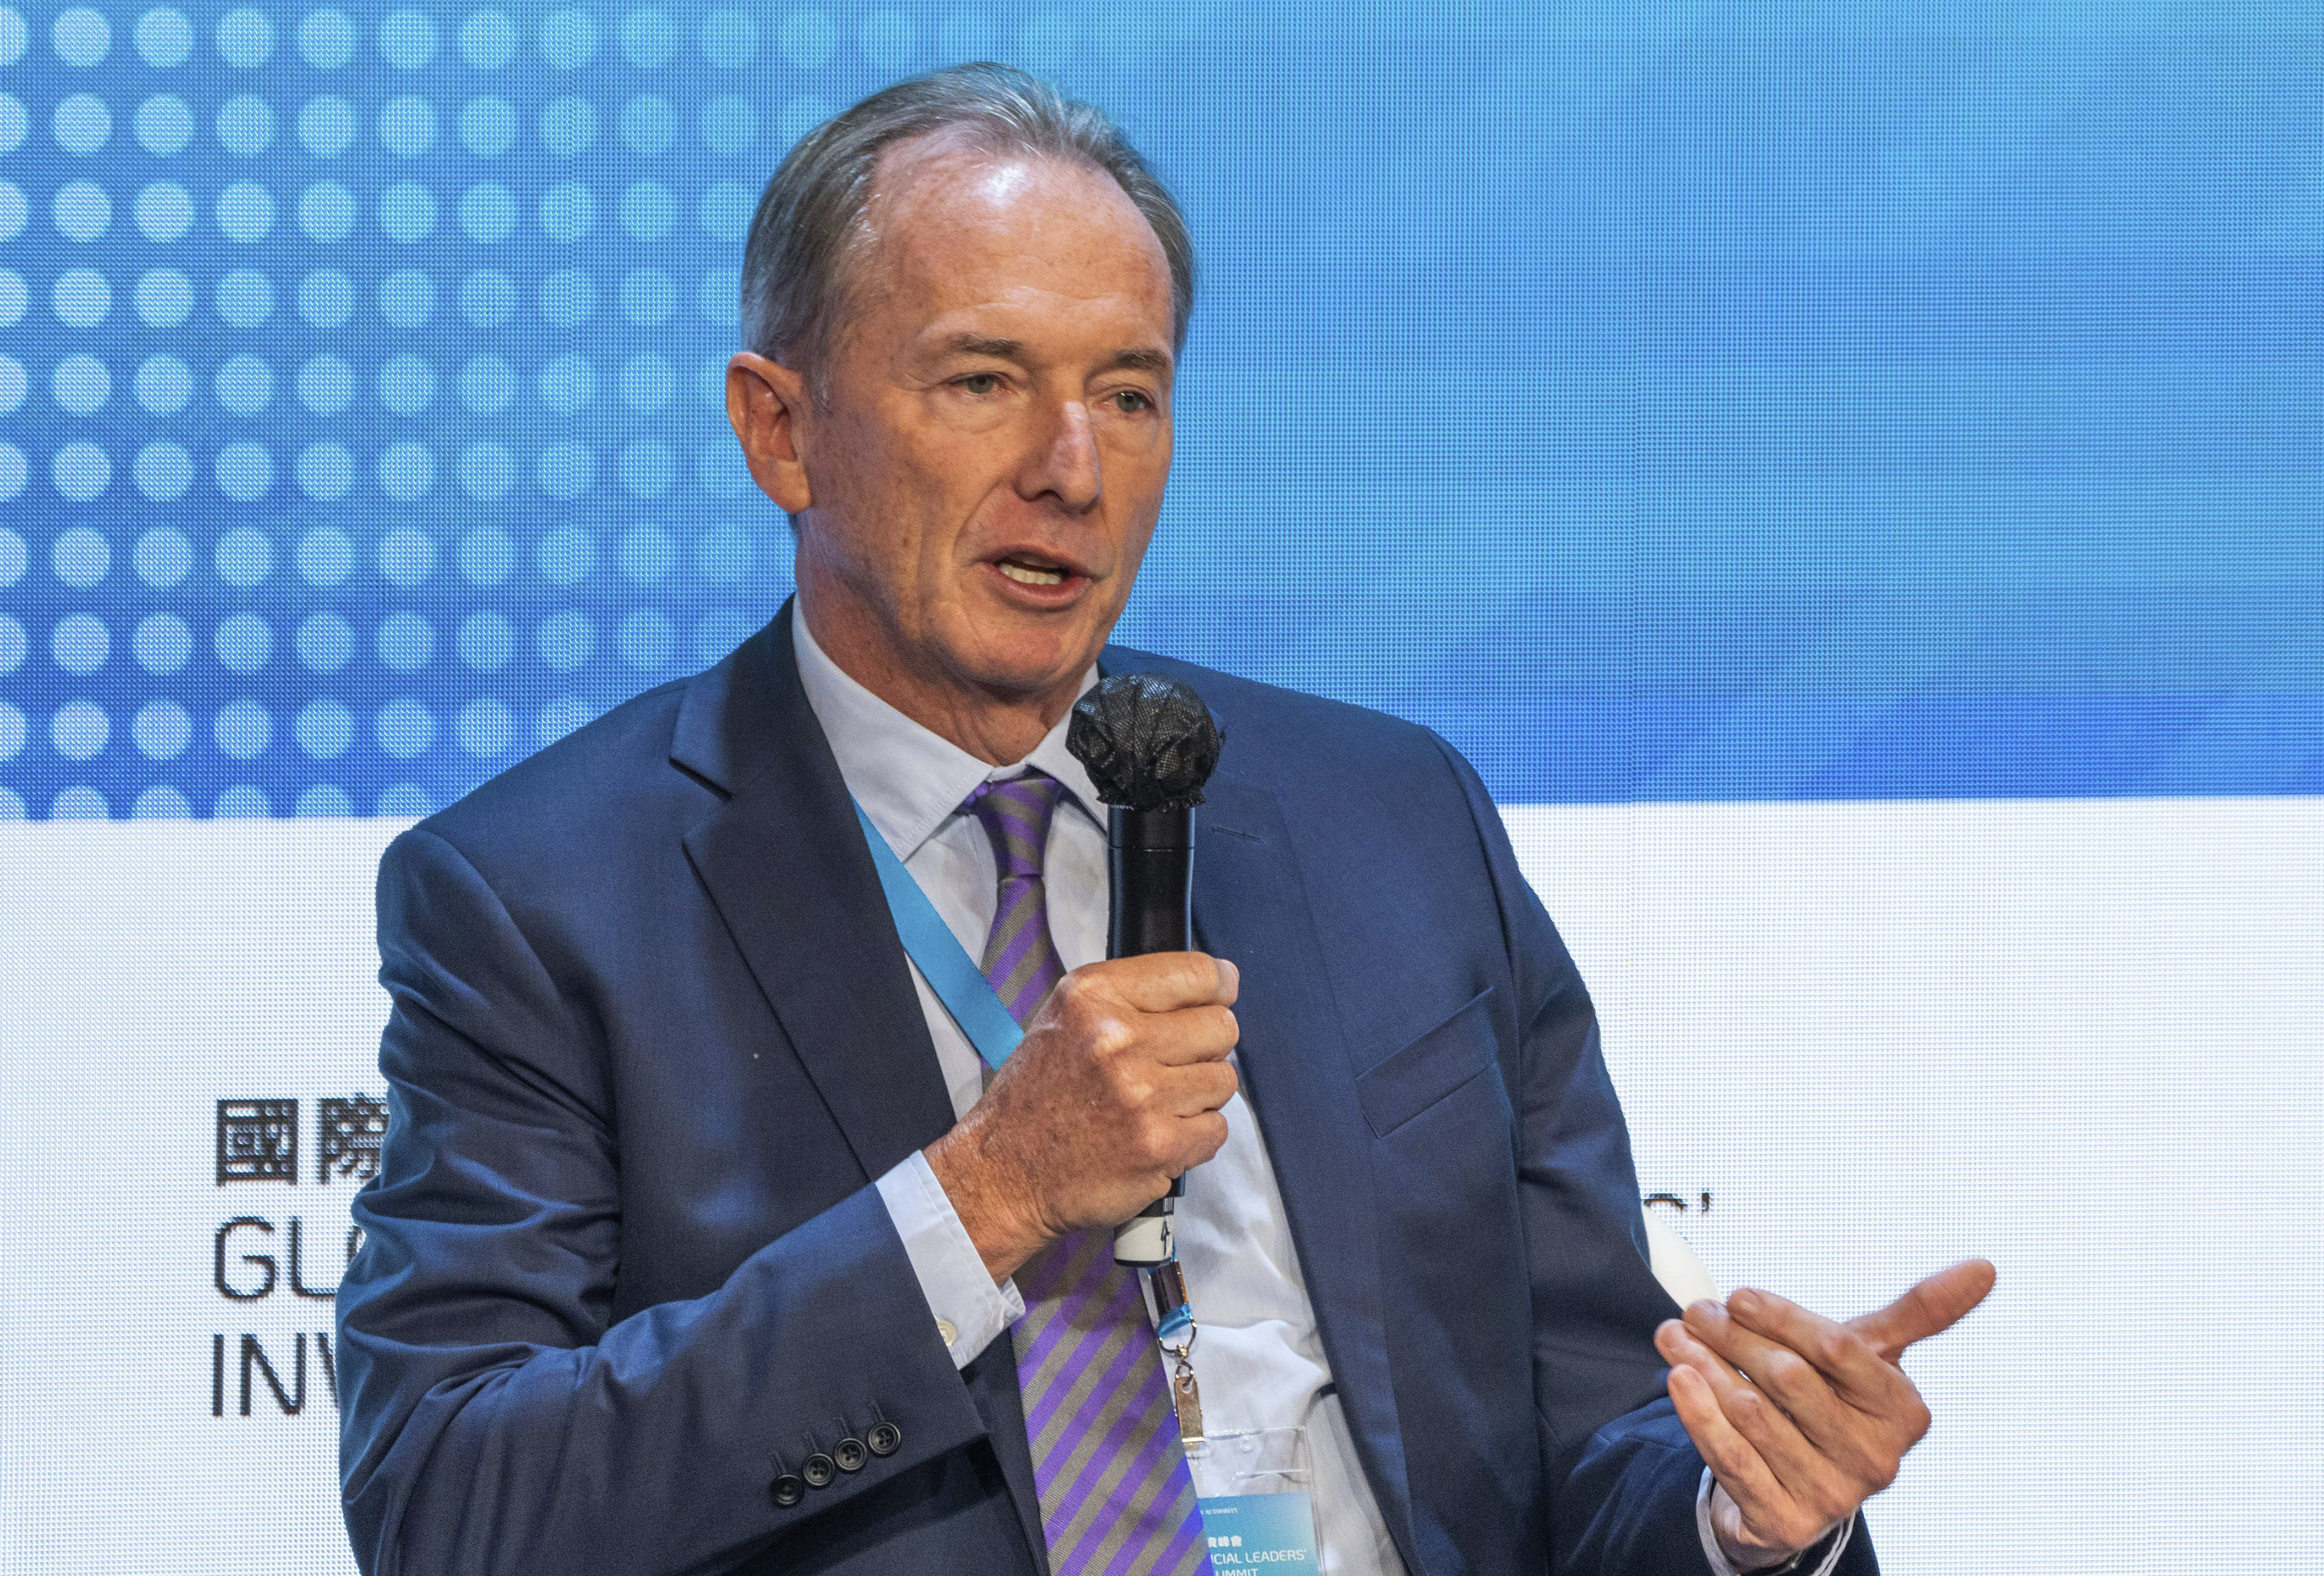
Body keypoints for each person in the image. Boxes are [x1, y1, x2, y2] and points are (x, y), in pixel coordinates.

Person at [335, 62, 1992, 1576]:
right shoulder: (547, 894)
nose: (1074, 468)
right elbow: (450, 1503)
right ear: (782, 429)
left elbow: (1586, 1437)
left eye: (1129, 394)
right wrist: (986, 1197)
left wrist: (1740, 1514)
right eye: (985, 382)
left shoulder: (1392, 822)